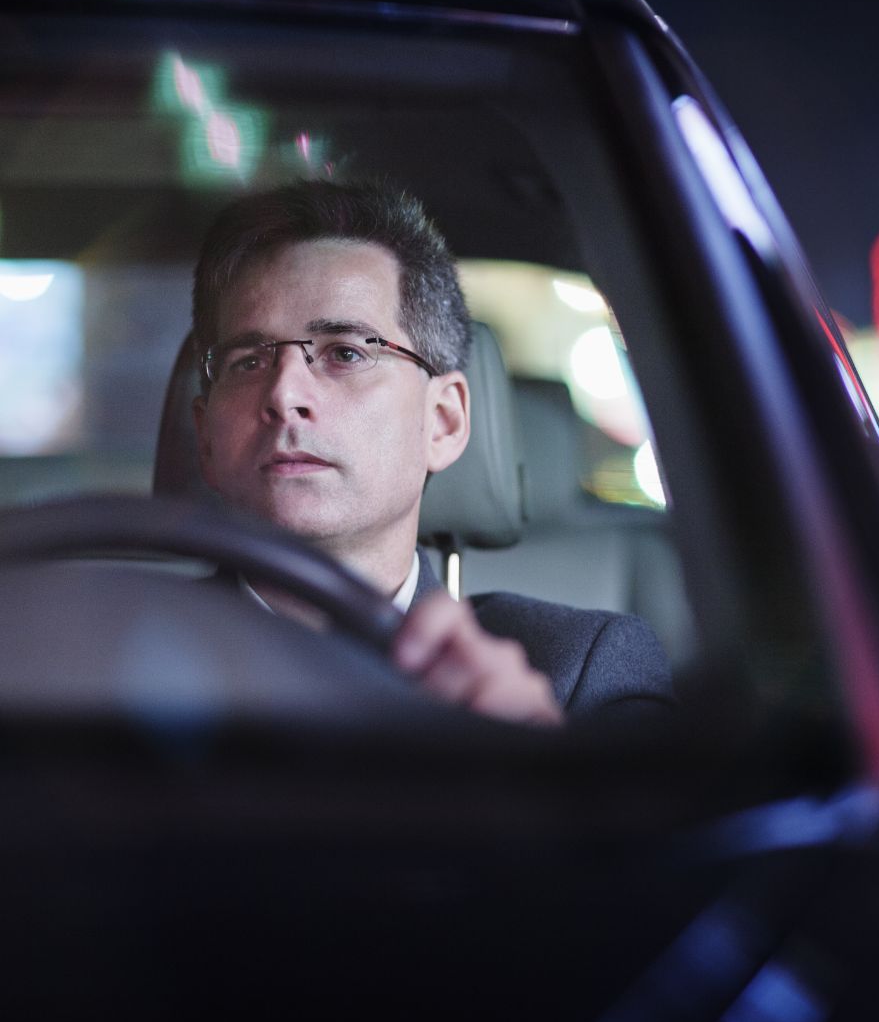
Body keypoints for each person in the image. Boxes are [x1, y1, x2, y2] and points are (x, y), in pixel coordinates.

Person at [190, 178, 674, 723]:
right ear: (206, 437)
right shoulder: (98, 654)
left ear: (443, 421)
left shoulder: (578, 672)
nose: (283, 395)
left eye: (346, 353)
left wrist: (537, 770)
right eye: (248, 361)